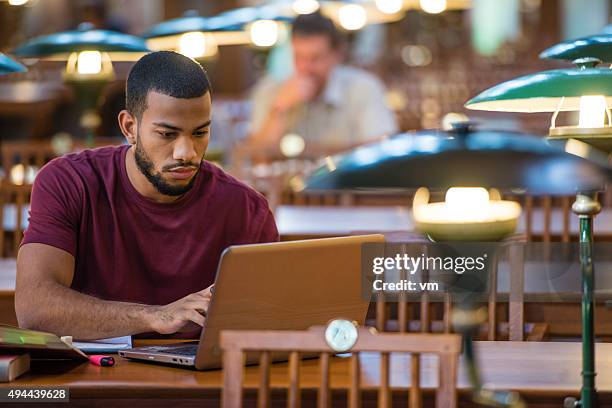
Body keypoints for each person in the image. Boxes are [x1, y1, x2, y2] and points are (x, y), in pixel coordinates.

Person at [15, 51, 278, 340]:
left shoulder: (247, 209)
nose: (186, 153)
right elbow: (34, 309)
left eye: (200, 133)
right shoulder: (69, 182)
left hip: (203, 381)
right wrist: (156, 316)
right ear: (130, 127)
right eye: (167, 134)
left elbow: (269, 320)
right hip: (91, 378)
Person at [249, 11, 398, 152]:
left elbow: (380, 150)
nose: (306, 67)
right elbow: (256, 156)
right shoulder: (270, 91)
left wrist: (309, 151)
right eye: (299, 57)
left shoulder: (364, 88)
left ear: (337, 55)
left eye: (315, 58)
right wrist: (279, 110)